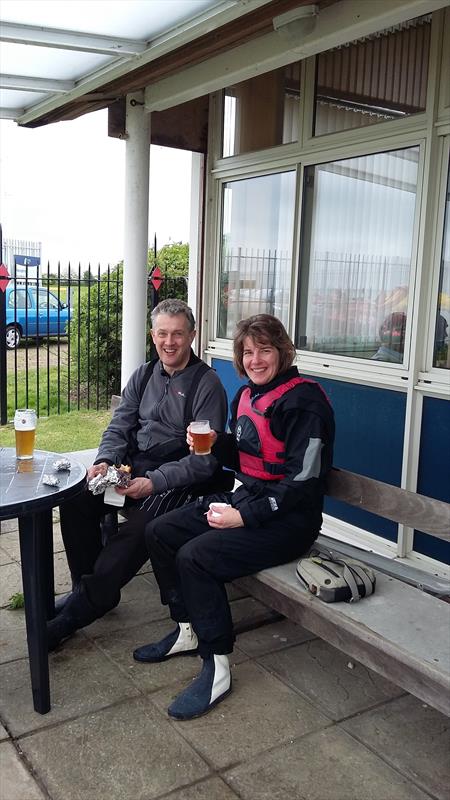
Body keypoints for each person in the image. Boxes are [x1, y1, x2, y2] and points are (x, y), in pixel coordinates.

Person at [133, 313, 335, 720]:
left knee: (197, 557)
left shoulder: (305, 402)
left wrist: (245, 518)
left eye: (265, 350)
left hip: (289, 521)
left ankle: (217, 664)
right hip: (248, 497)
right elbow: (247, 455)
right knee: (160, 531)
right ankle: (187, 629)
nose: (256, 359)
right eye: (248, 351)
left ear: (282, 351)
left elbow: (303, 485)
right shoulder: (247, 394)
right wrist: (214, 445)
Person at [48, 299, 232, 651]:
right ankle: (88, 591)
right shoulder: (144, 374)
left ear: (192, 336)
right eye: (162, 333)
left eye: (178, 334)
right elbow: (120, 425)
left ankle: (77, 614)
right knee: (77, 500)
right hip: (132, 468)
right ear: (152, 335)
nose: (170, 342)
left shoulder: (207, 385)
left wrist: (156, 482)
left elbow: (204, 462)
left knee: (138, 531)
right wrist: (105, 461)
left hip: (177, 479)